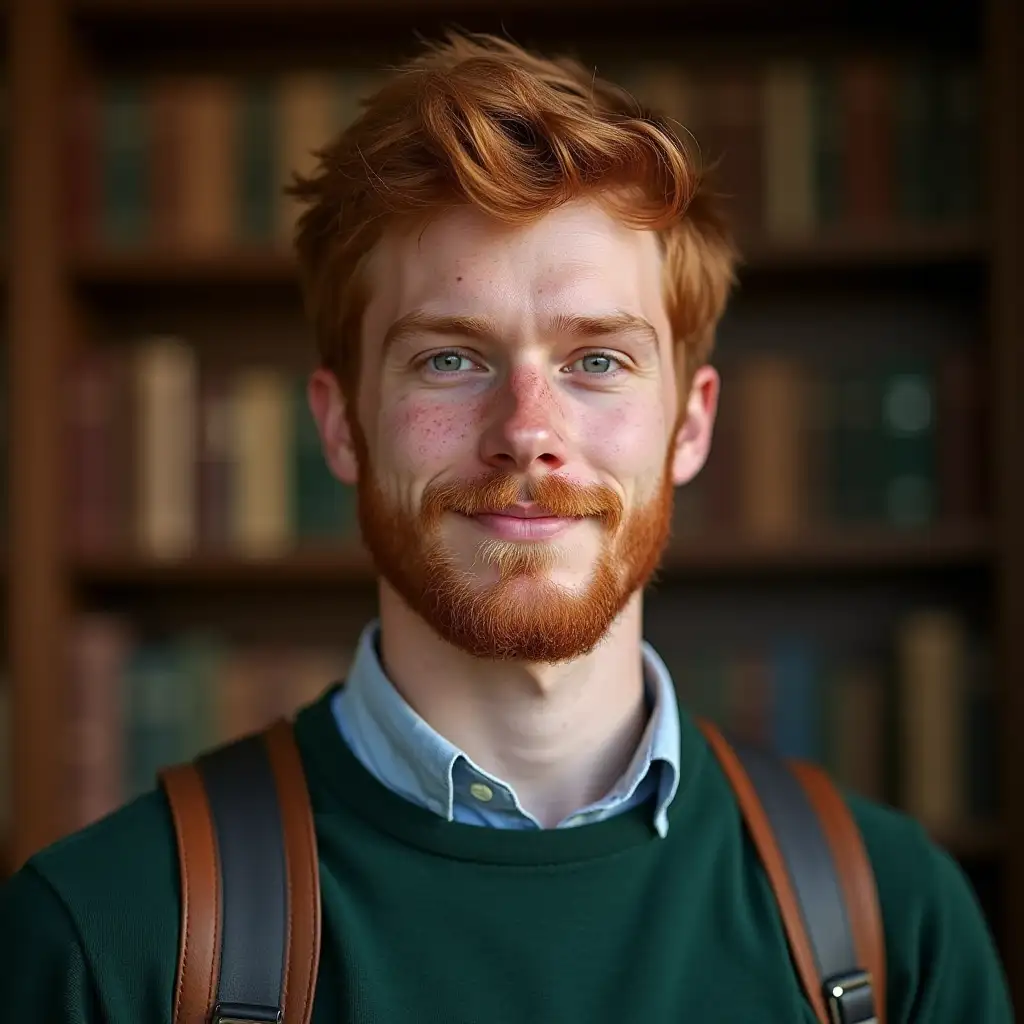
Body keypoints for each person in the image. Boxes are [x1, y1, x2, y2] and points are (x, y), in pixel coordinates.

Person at [0, 31, 1011, 1023]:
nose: (527, 432)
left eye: (598, 360)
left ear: (690, 423)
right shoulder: (105, 934)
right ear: (341, 423)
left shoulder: (893, 919)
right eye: (449, 358)